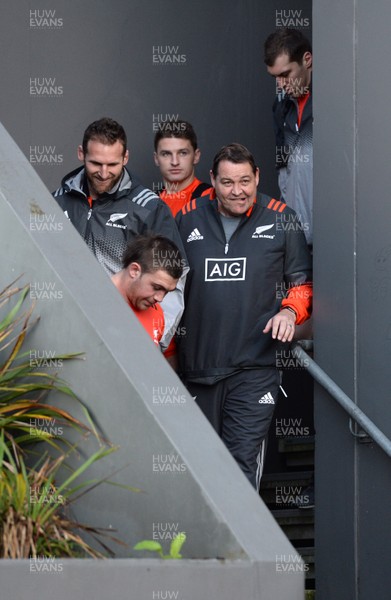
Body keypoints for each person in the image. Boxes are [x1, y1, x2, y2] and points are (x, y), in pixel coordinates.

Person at [175, 143, 312, 490]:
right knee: (198, 472)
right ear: (212, 180)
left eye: (245, 181)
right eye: (227, 183)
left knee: (240, 469)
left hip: (254, 371)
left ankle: (241, 547)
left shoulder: (282, 218)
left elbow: (304, 284)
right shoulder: (185, 217)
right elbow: (166, 286)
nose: (238, 191)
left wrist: (289, 311)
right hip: (197, 371)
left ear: (257, 177)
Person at [53, 117, 187, 349]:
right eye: (96, 163)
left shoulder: (149, 207)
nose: (104, 173)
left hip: (124, 337)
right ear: (80, 153)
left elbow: (176, 277)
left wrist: (156, 336)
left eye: (113, 165)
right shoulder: (57, 200)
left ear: (125, 157)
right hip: (67, 329)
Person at [264, 28, 313, 248]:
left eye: (285, 74)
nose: (281, 84)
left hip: (336, 232)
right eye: (275, 77)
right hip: (298, 238)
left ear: (307, 60)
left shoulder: (334, 100)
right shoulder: (281, 107)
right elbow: (284, 173)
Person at [111, 235, 183, 351]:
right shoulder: (92, 300)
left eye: (167, 292)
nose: (160, 298)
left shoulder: (157, 315)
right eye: (156, 287)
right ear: (134, 271)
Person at [154, 120, 212, 217]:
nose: (175, 162)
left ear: (196, 156)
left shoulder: (211, 197)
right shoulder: (149, 201)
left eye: (183, 153)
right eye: (166, 154)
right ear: (156, 159)